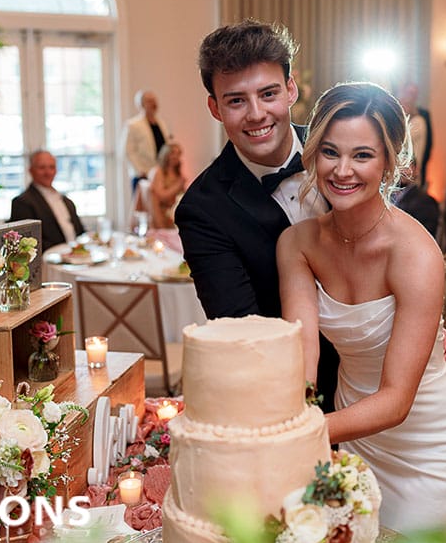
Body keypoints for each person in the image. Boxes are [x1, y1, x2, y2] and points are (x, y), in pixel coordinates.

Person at [277, 81, 446, 536]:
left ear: (391, 161)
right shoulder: (297, 243)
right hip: (353, 428)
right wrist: (295, 420)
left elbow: (396, 400)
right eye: (330, 152)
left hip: (434, 438)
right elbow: (304, 358)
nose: (342, 170)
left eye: (362, 155)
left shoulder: (415, 251)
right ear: (312, 152)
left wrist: (303, 433)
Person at [174, 20, 339, 408]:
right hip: (288, 393)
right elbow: (243, 331)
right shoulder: (202, 209)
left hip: (385, 362)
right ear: (214, 107)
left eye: (268, 94)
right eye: (236, 101)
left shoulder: (341, 152)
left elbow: (394, 242)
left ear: (291, 89)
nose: (256, 113)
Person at [8, 149, 85, 252]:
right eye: (42, 167)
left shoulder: (67, 201)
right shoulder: (22, 203)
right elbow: (25, 242)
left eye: (51, 167)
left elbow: (80, 232)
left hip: (77, 258)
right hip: (47, 264)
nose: (48, 172)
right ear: (31, 170)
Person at [120, 89, 171, 196]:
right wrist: (140, 171)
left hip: (160, 175)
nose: (154, 104)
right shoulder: (133, 125)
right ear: (141, 104)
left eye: (155, 100)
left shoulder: (161, 123)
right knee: (143, 209)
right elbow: (128, 151)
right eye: (150, 101)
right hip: (143, 175)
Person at [135, 141, 186, 229]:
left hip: (172, 208)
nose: (176, 156)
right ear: (166, 154)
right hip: (159, 210)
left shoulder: (178, 173)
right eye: (173, 153)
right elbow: (161, 195)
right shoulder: (158, 171)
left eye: (178, 153)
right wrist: (178, 185)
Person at [396, 82, 434, 186]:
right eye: (408, 93)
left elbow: (428, 144)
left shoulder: (419, 119)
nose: (409, 98)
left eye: (413, 94)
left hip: (412, 168)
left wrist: (419, 167)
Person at [392, 158, 439, 237]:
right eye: (398, 166)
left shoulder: (425, 202)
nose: (402, 170)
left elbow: (426, 237)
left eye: (406, 166)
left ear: (415, 170)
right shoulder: (385, 197)